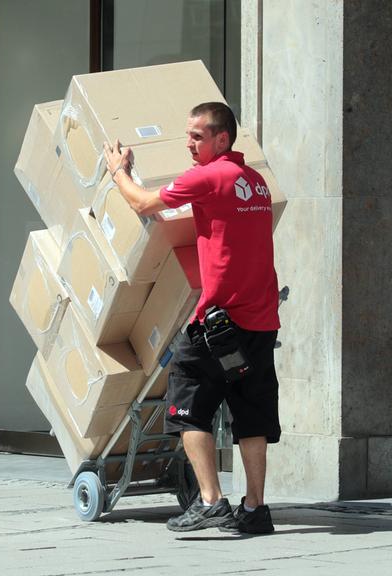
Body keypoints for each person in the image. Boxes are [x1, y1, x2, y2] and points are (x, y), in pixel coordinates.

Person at [103, 102, 281, 534]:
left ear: (222, 139)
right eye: (187, 135)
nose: (188, 144)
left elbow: (143, 203)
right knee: (251, 414)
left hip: (218, 324)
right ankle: (255, 510)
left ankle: (211, 501)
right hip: (260, 320)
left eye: (197, 137)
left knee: (187, 411)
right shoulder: (255, 184)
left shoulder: (208, 176)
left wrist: (117, 172)